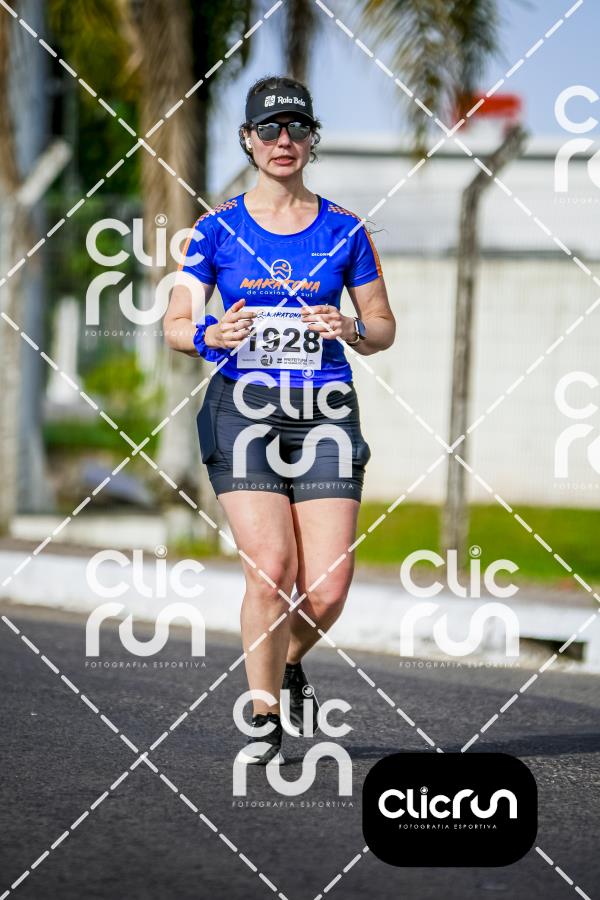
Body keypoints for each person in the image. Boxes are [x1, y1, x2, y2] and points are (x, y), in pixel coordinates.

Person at [164, 75, 395, 765]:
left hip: (324, 411)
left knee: (327, 588)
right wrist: (209, 334)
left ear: (311, 139)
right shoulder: (214, 231)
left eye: (296, 127)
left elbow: (383, 326)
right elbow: (175, 323)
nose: (282, 140)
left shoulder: (345, 229)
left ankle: (288, 661)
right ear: (248, 140)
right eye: (269, 128)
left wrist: (351, 328)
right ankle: (263, 716)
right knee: (271, 570)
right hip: (244, 410)